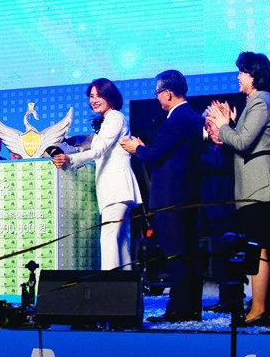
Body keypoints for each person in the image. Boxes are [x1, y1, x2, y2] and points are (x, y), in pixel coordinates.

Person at [121, 70, 203, 323]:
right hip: (187, 196)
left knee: (176, 255)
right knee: (189, 253)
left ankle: (178, 310)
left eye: (158, 92)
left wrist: (136, 148)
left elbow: (153, 156)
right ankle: (191, 309)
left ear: (168, 93)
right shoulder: (193, 117)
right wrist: (145, 148)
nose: (157, 97)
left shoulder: (174, 120)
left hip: (170, 199)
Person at [206, 51, 270, 326]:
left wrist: (223, 127)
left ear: (254, 75)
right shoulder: (254, 102)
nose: (238, 77)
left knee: (260, 249)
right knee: (260, 248)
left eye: (242, 72)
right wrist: (228, 128)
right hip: (254, 188)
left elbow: (243, 142)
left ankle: (259, 309)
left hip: (260, 188)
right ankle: (260, 306)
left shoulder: (260, 102)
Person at [53, 78, 142, 271]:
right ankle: (127, 285)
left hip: (117, 188)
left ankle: (109, 285)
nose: (94, 100)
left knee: (109, 238)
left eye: (99, 95)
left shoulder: (115, 117)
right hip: (115, 189)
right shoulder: (109, 120)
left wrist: (70, 159)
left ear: (110, 96)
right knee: (119, 240)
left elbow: (98, 150)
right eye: (91, 96)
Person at [200, 114, 237, 314]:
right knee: (220, 259)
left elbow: (220, 165)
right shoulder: (212, 147)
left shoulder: (228, 144)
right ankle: (225, 300)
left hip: (226, 209)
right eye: (206, 126)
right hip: (214, 211)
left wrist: (195, 157)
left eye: (211, 124)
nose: (209, 130)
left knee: (228, 258)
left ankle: (231, 300)